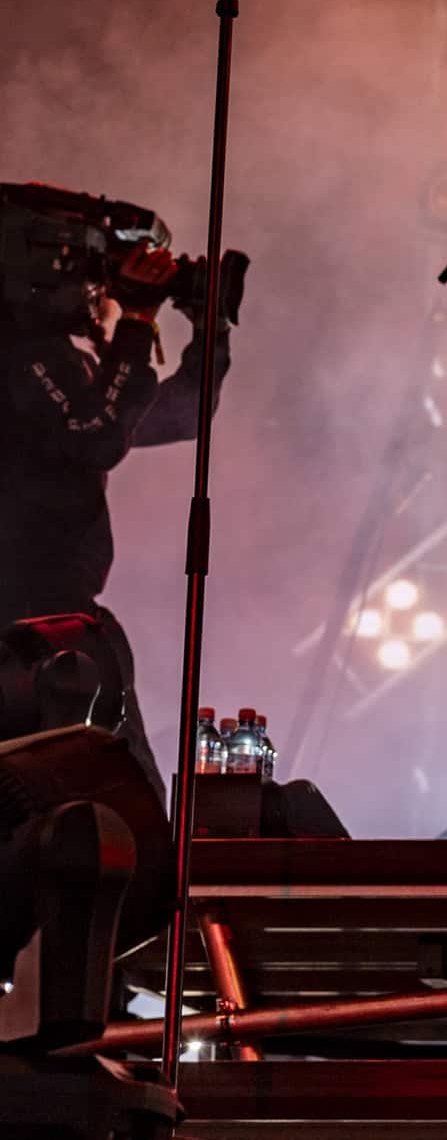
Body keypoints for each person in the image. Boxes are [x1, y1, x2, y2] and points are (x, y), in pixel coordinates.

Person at [0, 221, 231, 800]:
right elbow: (96, 436)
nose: (101, 296)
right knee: (104, 800)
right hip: (25, 624)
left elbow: (179, 414)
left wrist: (210, 330)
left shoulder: (58, 364)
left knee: (105, 798)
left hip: (54, 619)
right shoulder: (22, 355)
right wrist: (137, 321)